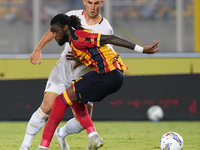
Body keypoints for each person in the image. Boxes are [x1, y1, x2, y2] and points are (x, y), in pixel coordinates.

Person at [36, 13, 160, 150]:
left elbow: (110, 38)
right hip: (116, 77)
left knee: (60, 101)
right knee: (75, 99)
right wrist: (80, 60)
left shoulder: (78, 36)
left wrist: (142, 49)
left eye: (55, 31)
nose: (54, 35)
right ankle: (91, 135)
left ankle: (43, 147)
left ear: (65, 28)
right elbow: (95, 53)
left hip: (106, 74)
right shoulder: (76, 41)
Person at [19, 0, 113, 150]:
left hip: (83, 77)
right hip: (63, 70)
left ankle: (61, 133)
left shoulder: (106, 28)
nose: (93, 7)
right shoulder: (71, 16)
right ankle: (24, 146)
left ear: (101, 3)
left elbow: (103, 56)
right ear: (84, 1)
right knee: (47, 107)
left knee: (82, 122)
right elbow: (53, 31)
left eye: (96, 3)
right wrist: (38, 48)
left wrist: (82, 59)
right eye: (89, 2)